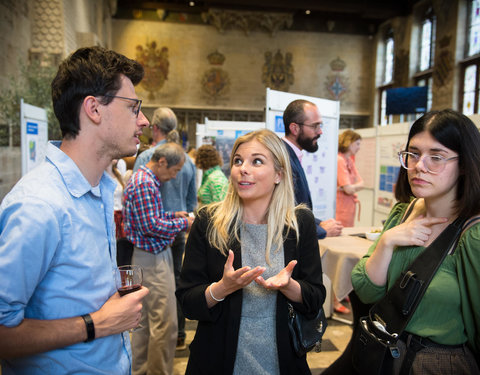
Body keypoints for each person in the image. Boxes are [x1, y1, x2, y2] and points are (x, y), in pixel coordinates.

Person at [0, 46, 150, 374]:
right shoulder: (40, 206)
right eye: (133, 107)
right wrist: (95, 324)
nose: (143, 120)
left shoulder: (99, 191)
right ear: (94, 109)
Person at [176, 129, 326, 374]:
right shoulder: (209, 222)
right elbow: (188, 304)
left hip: (284, 360)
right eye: (238, 161)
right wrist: (222, 288)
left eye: (257, 161)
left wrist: (289, 286)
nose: (243, 169)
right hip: (217, 360)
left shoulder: (300, 223)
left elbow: (315, 298)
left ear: (279, 174)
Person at [351, 109, 480, 374]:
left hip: (441, 364)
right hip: (388, 356)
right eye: (413, 154)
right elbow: (367, 291)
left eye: (436, 157)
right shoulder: (402, 213)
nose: (419, 166)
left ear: (465, 164)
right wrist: (387, 241)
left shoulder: (473, 234)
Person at [124, 142, 195, 375]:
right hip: (152, 259)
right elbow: (151, 226)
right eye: (174, 171)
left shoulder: (143, 179)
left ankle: (141, 370)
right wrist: (185, 223)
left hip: (145, 257)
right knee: (165, 325)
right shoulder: (145, 183)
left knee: (143, 324)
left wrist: (172, 215)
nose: (174, 177)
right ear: (162, 162)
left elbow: (150, 216)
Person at [133, 107, 197, 351]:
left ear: (154, 128)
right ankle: (179, 334)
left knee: (151, 294)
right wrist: (183, 221)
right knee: (176, 284)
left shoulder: (144, 158)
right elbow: (191, 201)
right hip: (176, 234)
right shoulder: (187, 160)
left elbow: (142, 213)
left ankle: (155, 343)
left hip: (151, 239)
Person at [282, 99, 343, 239]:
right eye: (315, 126)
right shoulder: (283, 160)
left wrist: (320, 223)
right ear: (295, 128)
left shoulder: (291, 155)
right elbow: (284, 215)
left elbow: (297, 209)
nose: (320, 131)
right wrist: (322, 231)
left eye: (320, 126)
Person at [106, 159, 134, 266]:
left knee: (122, 250)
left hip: (120, 215)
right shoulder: (101, 175)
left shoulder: (117, 173)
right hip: (111, 215)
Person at [336, 130, 364, 227]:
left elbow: (362, 183)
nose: (359, 148)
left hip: (349, 208)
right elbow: (348, 189)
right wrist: (349, 188)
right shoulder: (339, 160)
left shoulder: (349, 160)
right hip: (341, 209)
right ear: (349, 142)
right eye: (357, 144)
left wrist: (350, 187)